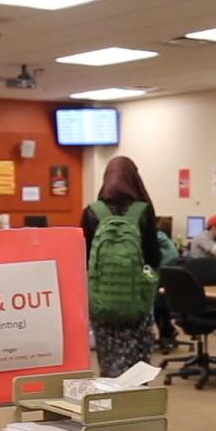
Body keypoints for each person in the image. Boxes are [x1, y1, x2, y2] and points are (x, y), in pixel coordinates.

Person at [81, 156, 160, 377]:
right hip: (137, 303)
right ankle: (138, 405)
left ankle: (109, 401)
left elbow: (83, 258)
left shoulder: (92, 212)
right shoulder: (142, 211)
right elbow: (154, 257)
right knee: (137, 366)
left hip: (102, 303)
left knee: (109, 363)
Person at [154, 228, 180, 352]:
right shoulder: (164, 239)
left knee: (154, 301)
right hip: (170, 284)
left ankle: (167, 332)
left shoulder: (152, 242)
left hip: (159, 279)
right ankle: (168, 331)